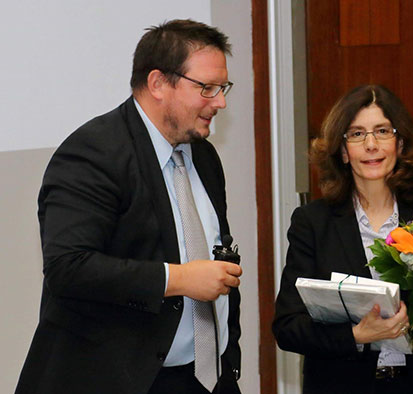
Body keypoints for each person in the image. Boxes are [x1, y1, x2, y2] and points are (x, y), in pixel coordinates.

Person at [15, 20, 243, 394]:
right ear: (158, 83)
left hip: (203, 379)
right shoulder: (93, 153)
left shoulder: (203, 156)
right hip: (121, 380)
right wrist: (179, 279)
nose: (219, 102)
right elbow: (68, 267)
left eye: (222, 88)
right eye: (206, 88)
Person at [272, 85, 413, 394]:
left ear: (400, 144)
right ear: (342, 151)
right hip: (342, 384)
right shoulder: (313, 223)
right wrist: (356, 335)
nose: (371, 145)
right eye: (356, 134)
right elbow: (288, 328)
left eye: (382, 131)